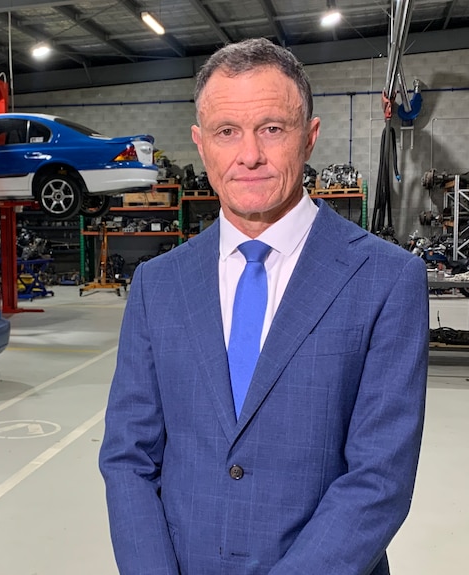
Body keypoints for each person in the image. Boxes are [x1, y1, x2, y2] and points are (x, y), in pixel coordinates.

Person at [99, 37, 429, 575]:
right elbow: (127, 458)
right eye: (227, 132)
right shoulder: (158, 284)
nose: (249, 154)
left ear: (310, 137)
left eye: (272, 128)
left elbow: (379, 480)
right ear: (201, 145)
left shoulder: (386, 280)